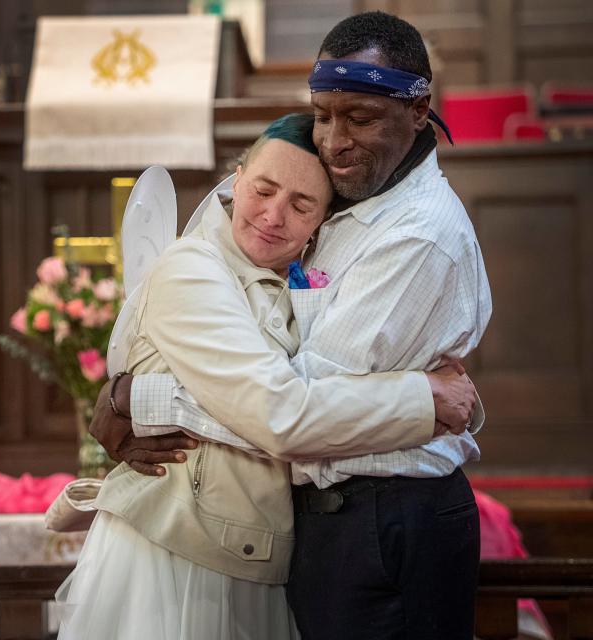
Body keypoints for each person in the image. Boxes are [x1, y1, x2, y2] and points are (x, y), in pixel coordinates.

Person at [90, 11, 492, 640]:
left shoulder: (416, 237)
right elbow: (282, 392)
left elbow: (291, 415)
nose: (334, 140)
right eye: (324, 114)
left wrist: (140, 399)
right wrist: (126, 394)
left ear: (419, 111)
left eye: (359, 117)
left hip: (387, 524)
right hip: (323, 522)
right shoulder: (341, 210)